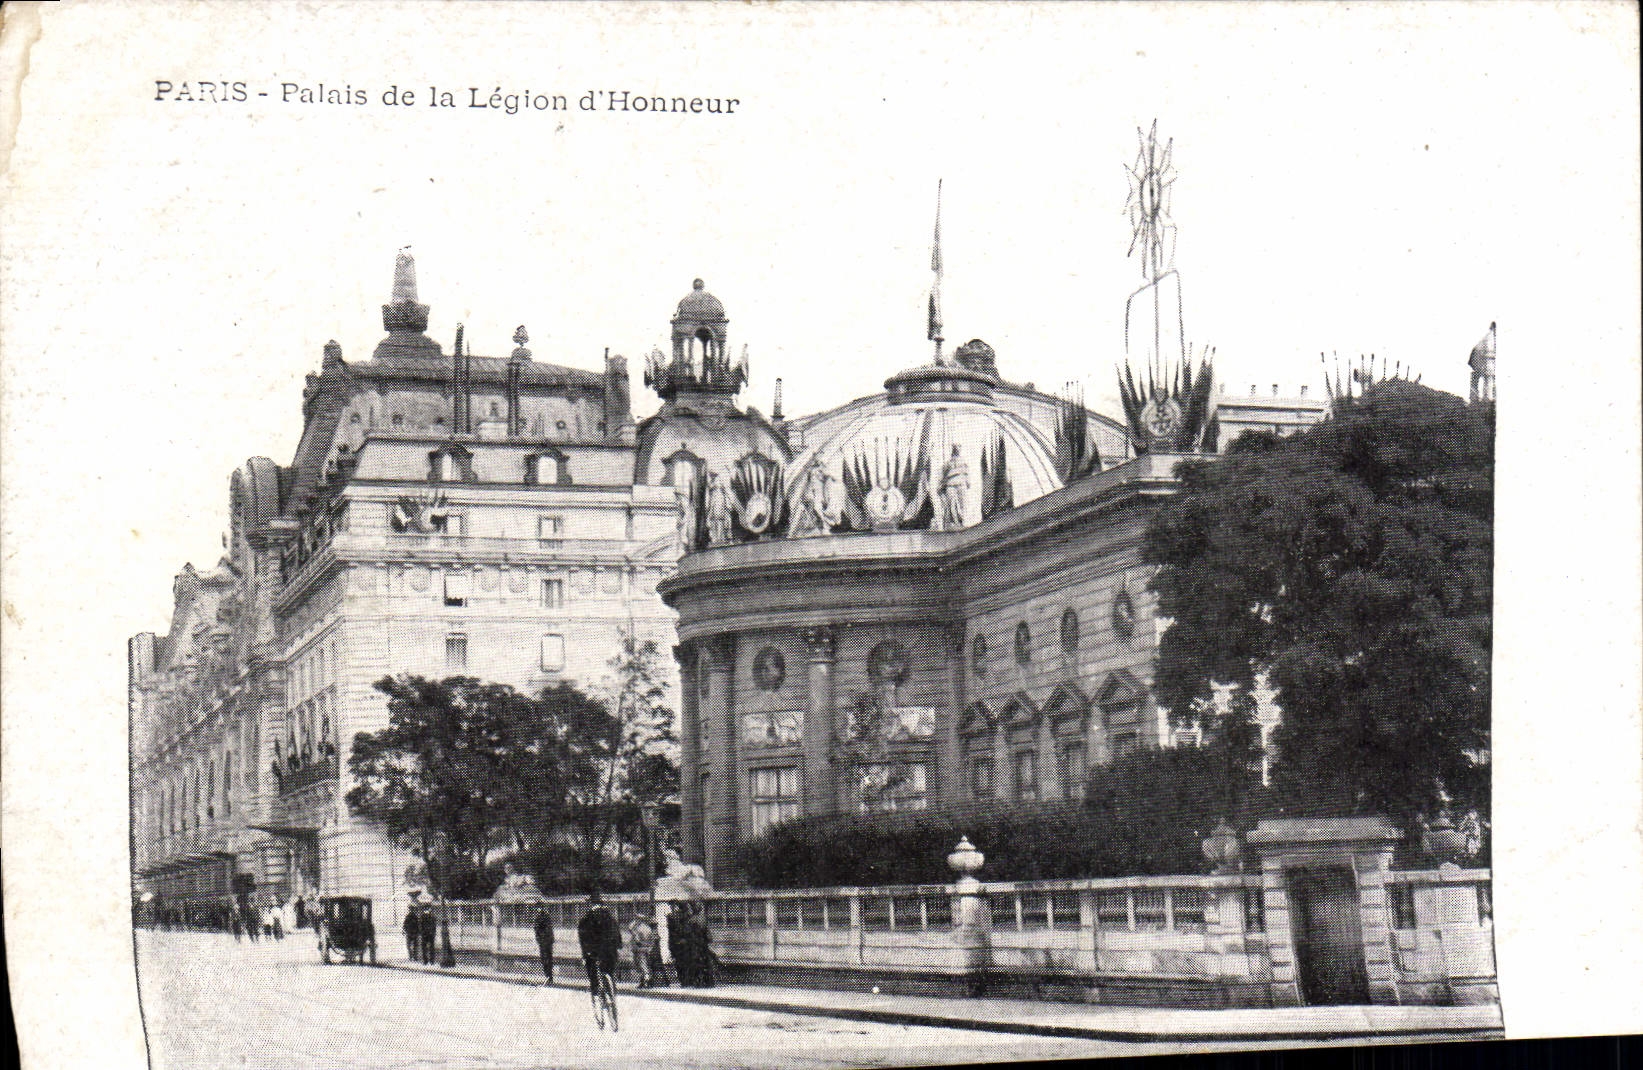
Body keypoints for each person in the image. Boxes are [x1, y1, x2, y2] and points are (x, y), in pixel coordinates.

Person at [577, 891, 622, 1006]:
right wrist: (618, 946)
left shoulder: (586, 919)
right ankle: (611, 993)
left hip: (594, 952)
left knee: (593, 973)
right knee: (609, 972)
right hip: (610, 952)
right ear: (601, 904)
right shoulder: (609, 916)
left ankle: (597, 995)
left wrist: (584, 954)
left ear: (590, 905)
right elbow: (617, 932)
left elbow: (583, 938)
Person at [627, 915, 657, 989]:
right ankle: (645, 981)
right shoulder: (648, 928)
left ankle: (646, 980)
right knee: (646, 965)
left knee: (641, 966)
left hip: (639, 949)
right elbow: (652, 940)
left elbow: (635, 937)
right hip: (647, 949)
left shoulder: (637, 929)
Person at [533, 905, 555, 982]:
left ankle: (548, 977)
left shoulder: (541, 918)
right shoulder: (546, 917)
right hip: (547, 942)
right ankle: (549, 977)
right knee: (548, 959)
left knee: (545, 959)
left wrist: (540, 939)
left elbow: (538, 930)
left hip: (544, 942)